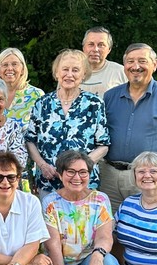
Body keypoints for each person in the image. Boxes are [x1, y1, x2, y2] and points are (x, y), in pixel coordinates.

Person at [26, 49, 109, 199]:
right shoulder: (42, 103)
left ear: (84, 74)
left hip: (83, 183)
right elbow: (30, 141)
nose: (69, 74)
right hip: (49, 181)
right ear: (57, 73)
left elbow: (103, 145)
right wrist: (42, 165)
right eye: (65, 69)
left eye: (75, 70)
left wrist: (81, 168)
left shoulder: (94, 104)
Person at [102, 43, 157, 213]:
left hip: (149, 177)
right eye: (130, 61)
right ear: (124, 66)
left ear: (154, 65)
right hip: (110, 176)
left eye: (142, 61)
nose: (135, 66)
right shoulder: (110, 96)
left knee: (148, 223)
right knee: (110, 224)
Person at [0, 47, 44, 127]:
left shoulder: (36, 95)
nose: (10, 68)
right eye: (5, 65)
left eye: (14, 64)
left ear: (22, 69)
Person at [79, 26, 126, 98]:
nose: (95, 49)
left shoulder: (120, 72)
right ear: (83, 48)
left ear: (109, 49)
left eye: (101, 45)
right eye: (91, 44)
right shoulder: (70, 71)